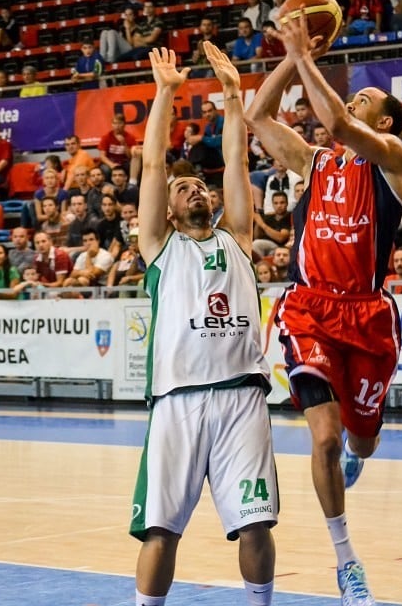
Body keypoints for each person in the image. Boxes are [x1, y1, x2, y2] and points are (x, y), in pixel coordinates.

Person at [245, 9, 402, 605]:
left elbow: (338, 123)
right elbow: (256, 115)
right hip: (309, 309)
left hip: (367, 316)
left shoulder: (393, 160)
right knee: (322, 437)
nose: (354, 99)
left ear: (385, 120)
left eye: (365, 96)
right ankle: (346, 561)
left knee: (360, 443)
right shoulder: (316, 164)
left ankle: (357, 451)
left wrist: (307, 55)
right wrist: (291, 58)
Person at [130, 43, 277, 606]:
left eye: (200, 186)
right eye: (183, 188)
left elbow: (236, 162)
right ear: (167, 210)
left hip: (242, 397)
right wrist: (166, 92)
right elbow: (153, 164)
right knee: (162, 530)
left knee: (257, 522)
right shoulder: (158, 247)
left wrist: (235, 99)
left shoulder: (237, 238)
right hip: (177, 400)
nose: (196, 189)